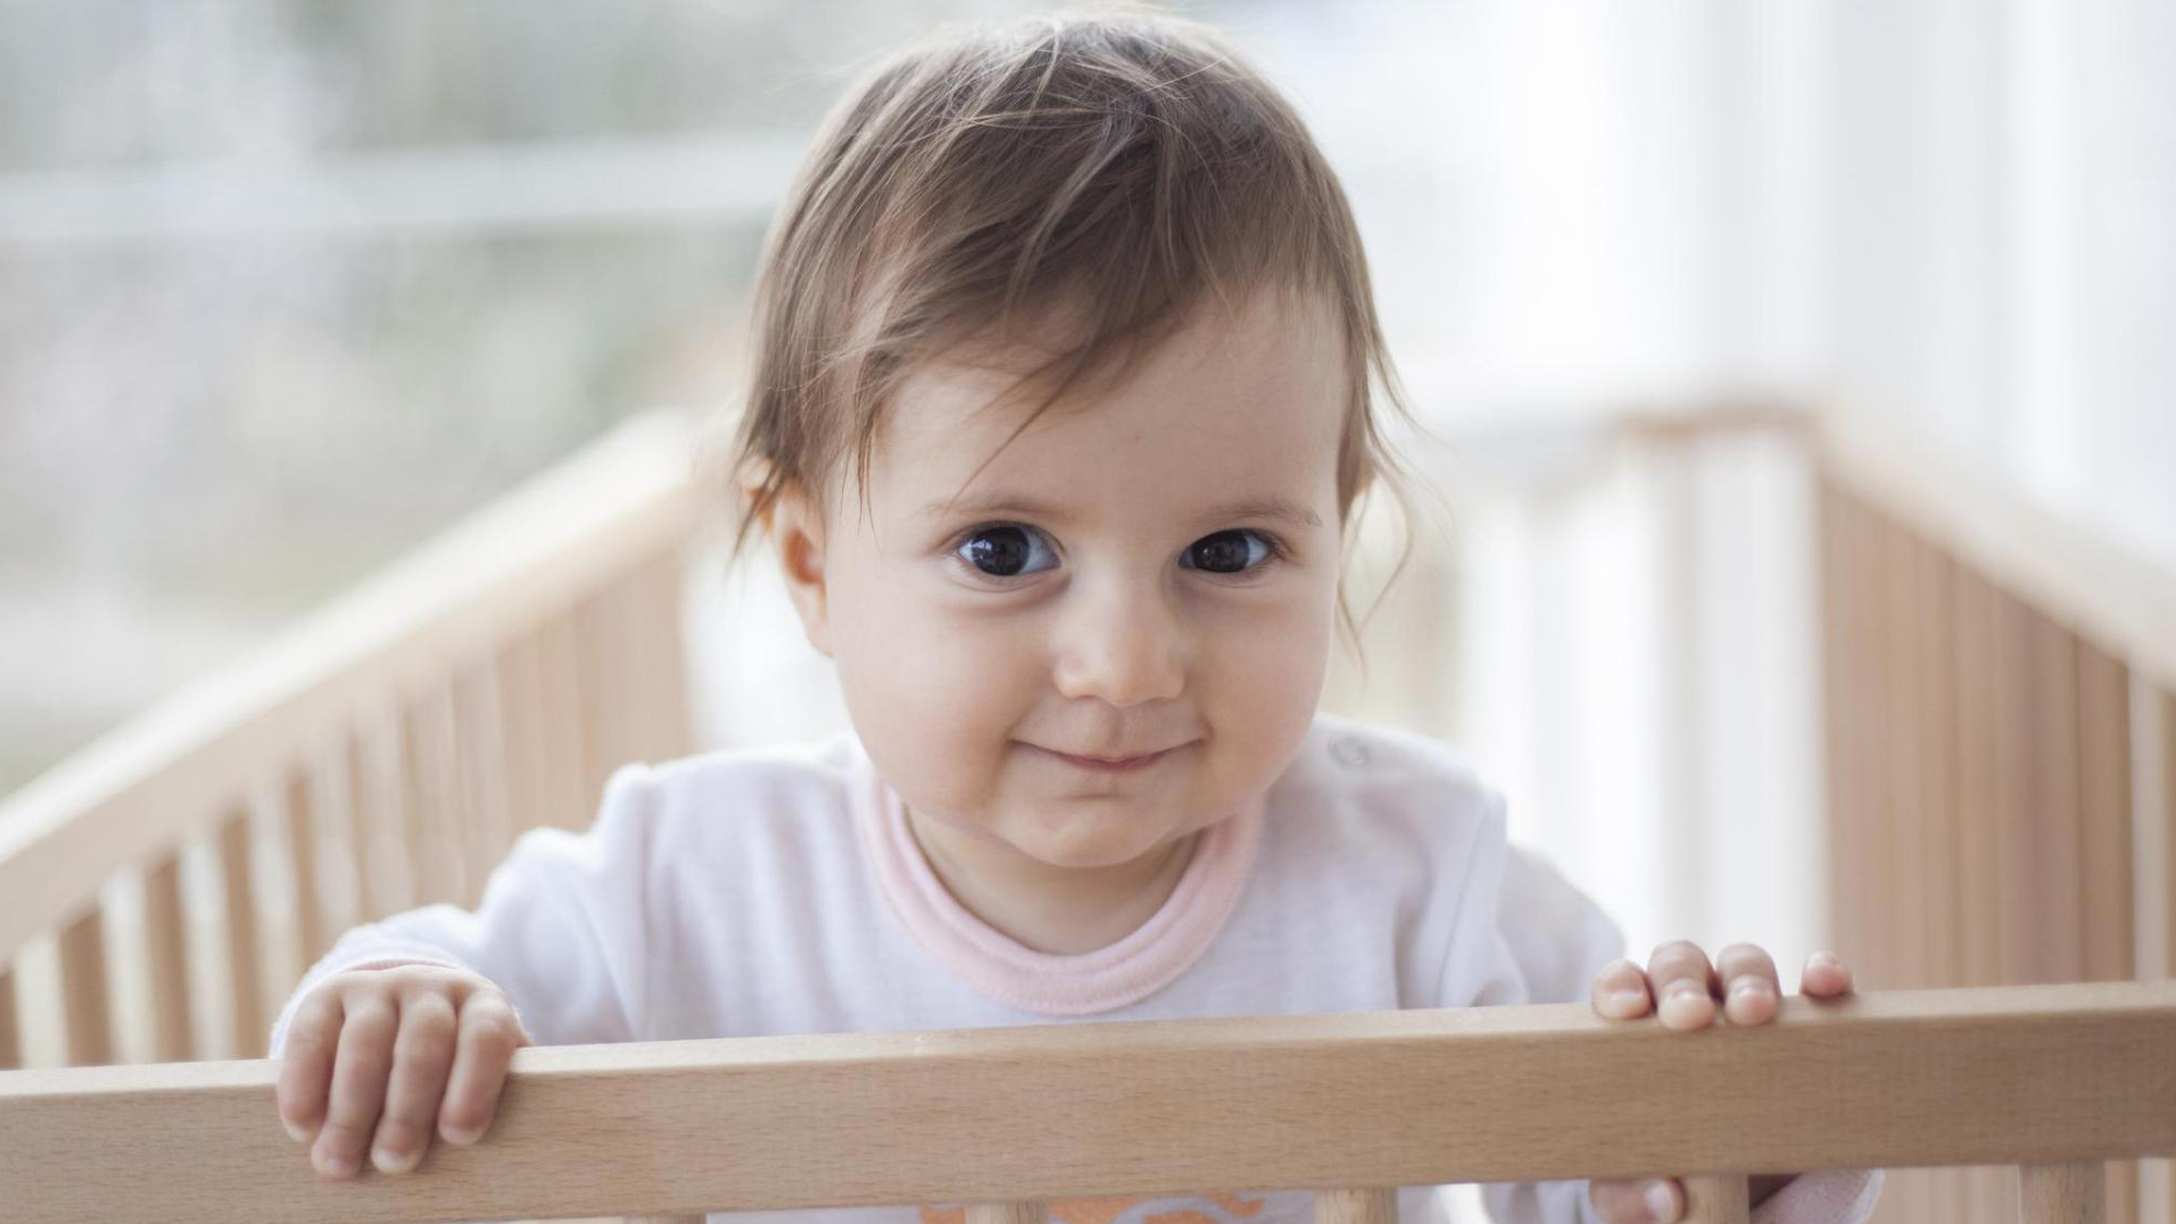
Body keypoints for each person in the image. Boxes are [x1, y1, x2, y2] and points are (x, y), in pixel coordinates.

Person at [268, 9, 1883, 1224]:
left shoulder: (1421, 880)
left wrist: (1732, 1133)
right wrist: (399, 994)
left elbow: (1622, 1162)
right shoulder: (689, 885)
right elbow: (432, 996)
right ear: (814, 565)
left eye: (1232, 552)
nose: (1125, 664)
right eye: (1004, 552)